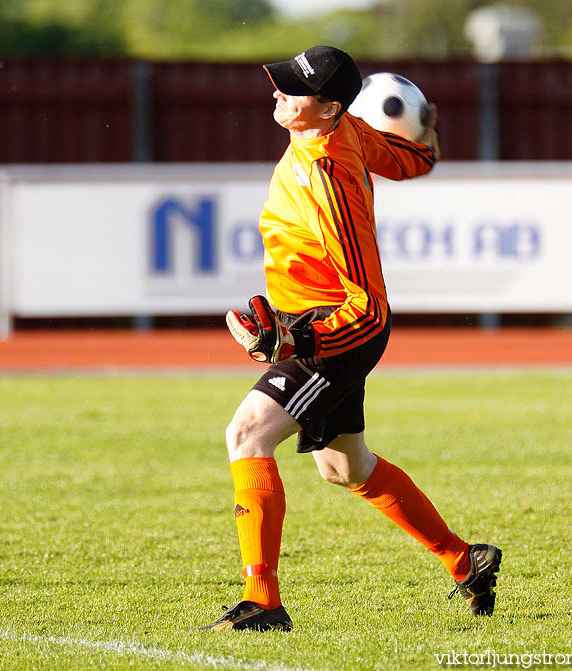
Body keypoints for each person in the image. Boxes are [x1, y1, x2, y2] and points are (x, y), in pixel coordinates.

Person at [200, 45, 501, 632]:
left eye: (292, 89)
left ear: (330, 106)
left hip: (336, 330)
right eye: (281, 82)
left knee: (247, 433)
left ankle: (261, 602)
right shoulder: (349, 128)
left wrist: (294, 336)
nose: (278, 93)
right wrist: (427, 141)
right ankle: (467, 561)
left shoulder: (329, 175)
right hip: (321, 323)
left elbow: (364, 306)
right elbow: (408, 158)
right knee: (345, 468)